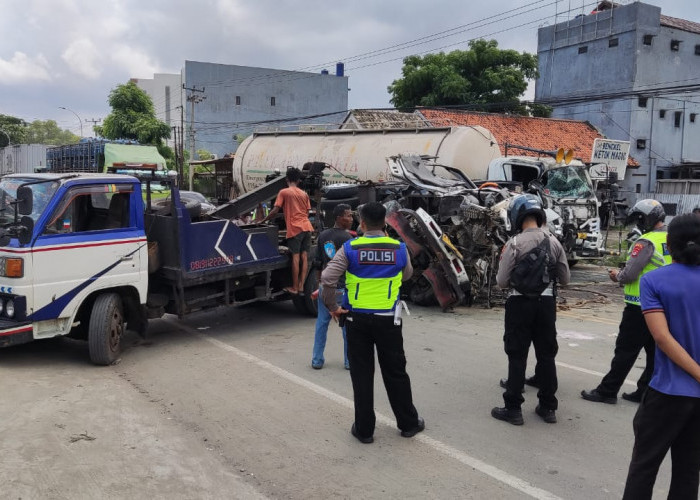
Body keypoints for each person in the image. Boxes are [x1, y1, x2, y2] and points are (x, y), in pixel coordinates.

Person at [321, 201, 424, 443]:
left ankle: (365, 430)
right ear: (385, 224)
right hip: (389, 320)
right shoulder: (399, 248)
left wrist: (333, 307)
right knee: (396, 372)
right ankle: (408, 423)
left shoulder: (350, 248)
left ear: (362, 223)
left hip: (357, 320)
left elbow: (327, 278)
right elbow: (407, 274)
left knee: (362, 374)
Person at [622, 213, 700, 499]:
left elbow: (662, 338)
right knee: (689, 470)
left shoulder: (654, 280)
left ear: (669, 243)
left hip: (667, 392)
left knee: (644, 466)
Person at [491, 194, 570, 425]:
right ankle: (548, 408)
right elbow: (565, 279)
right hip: (546, 306)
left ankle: (513, 409)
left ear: (518, 216)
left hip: (519, 304)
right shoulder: (555, 242)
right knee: (546, 355)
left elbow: (502, 282)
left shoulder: (514, 243)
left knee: (517, 356)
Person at [581, 199, 670, 405]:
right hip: (662, 307)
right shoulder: (670, 239)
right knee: (654, 354)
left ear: (646, 218)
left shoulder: (646, 242)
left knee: (625, 351)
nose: (637, 225)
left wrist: (616, 274)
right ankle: (644, 391)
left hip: (639, 307)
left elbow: (629, 274)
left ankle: (607, 391)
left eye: (638, 220)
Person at [257, 167, 314, 294]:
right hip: (307, 227)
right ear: (299, 180)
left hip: (295, 228)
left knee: (295, 256)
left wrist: (263, 221)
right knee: (304, 256)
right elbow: (308, 212)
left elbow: (275, 210)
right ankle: (301, 286)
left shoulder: (284, 192)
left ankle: (294, 287)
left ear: (286, 179)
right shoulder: (304, 194)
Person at [311, 203, 354, 370]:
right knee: (346, 326)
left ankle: (316, 360)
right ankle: (349, 361)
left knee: (321, 324)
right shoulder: (348, 239)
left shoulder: (323, 235)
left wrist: (319, 285)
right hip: (342, 289)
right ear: (338, 218)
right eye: (348, 215)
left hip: (325, 288)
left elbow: (318, 263)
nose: (351, 219)